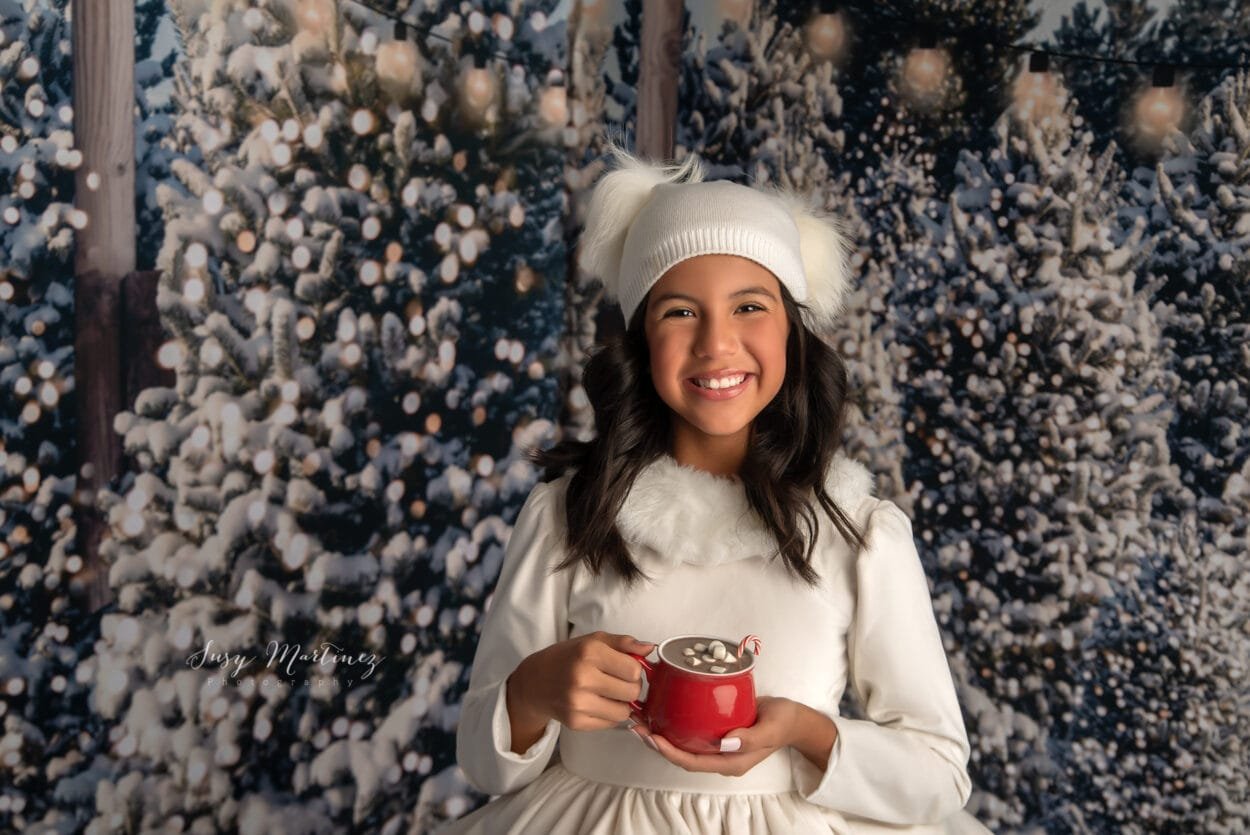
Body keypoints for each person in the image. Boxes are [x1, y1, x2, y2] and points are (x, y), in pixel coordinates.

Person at [438, 139, 993, 834]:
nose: (716, 344)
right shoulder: (570, 515)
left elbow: (939, 771)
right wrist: (533, 690)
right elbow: (486, 767)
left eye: (750, 307)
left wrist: (808, 734)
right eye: (679, 311)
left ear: (793, 330)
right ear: (640, 338)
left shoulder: (856, 529)